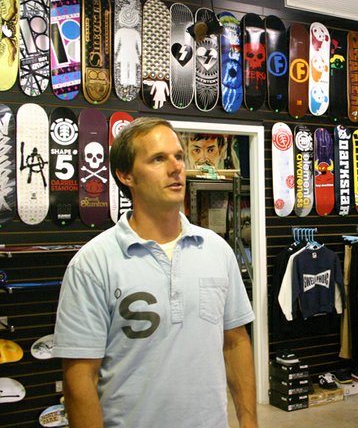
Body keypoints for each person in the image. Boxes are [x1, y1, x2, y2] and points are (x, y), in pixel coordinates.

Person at [52, 117, 257, 428]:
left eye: (178, 156)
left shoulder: (217, 251)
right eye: (159, 159)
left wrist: (249, 421)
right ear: (126, 175)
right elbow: (80, 377)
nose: (176, 167)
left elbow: (236, 342)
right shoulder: (93, 264)